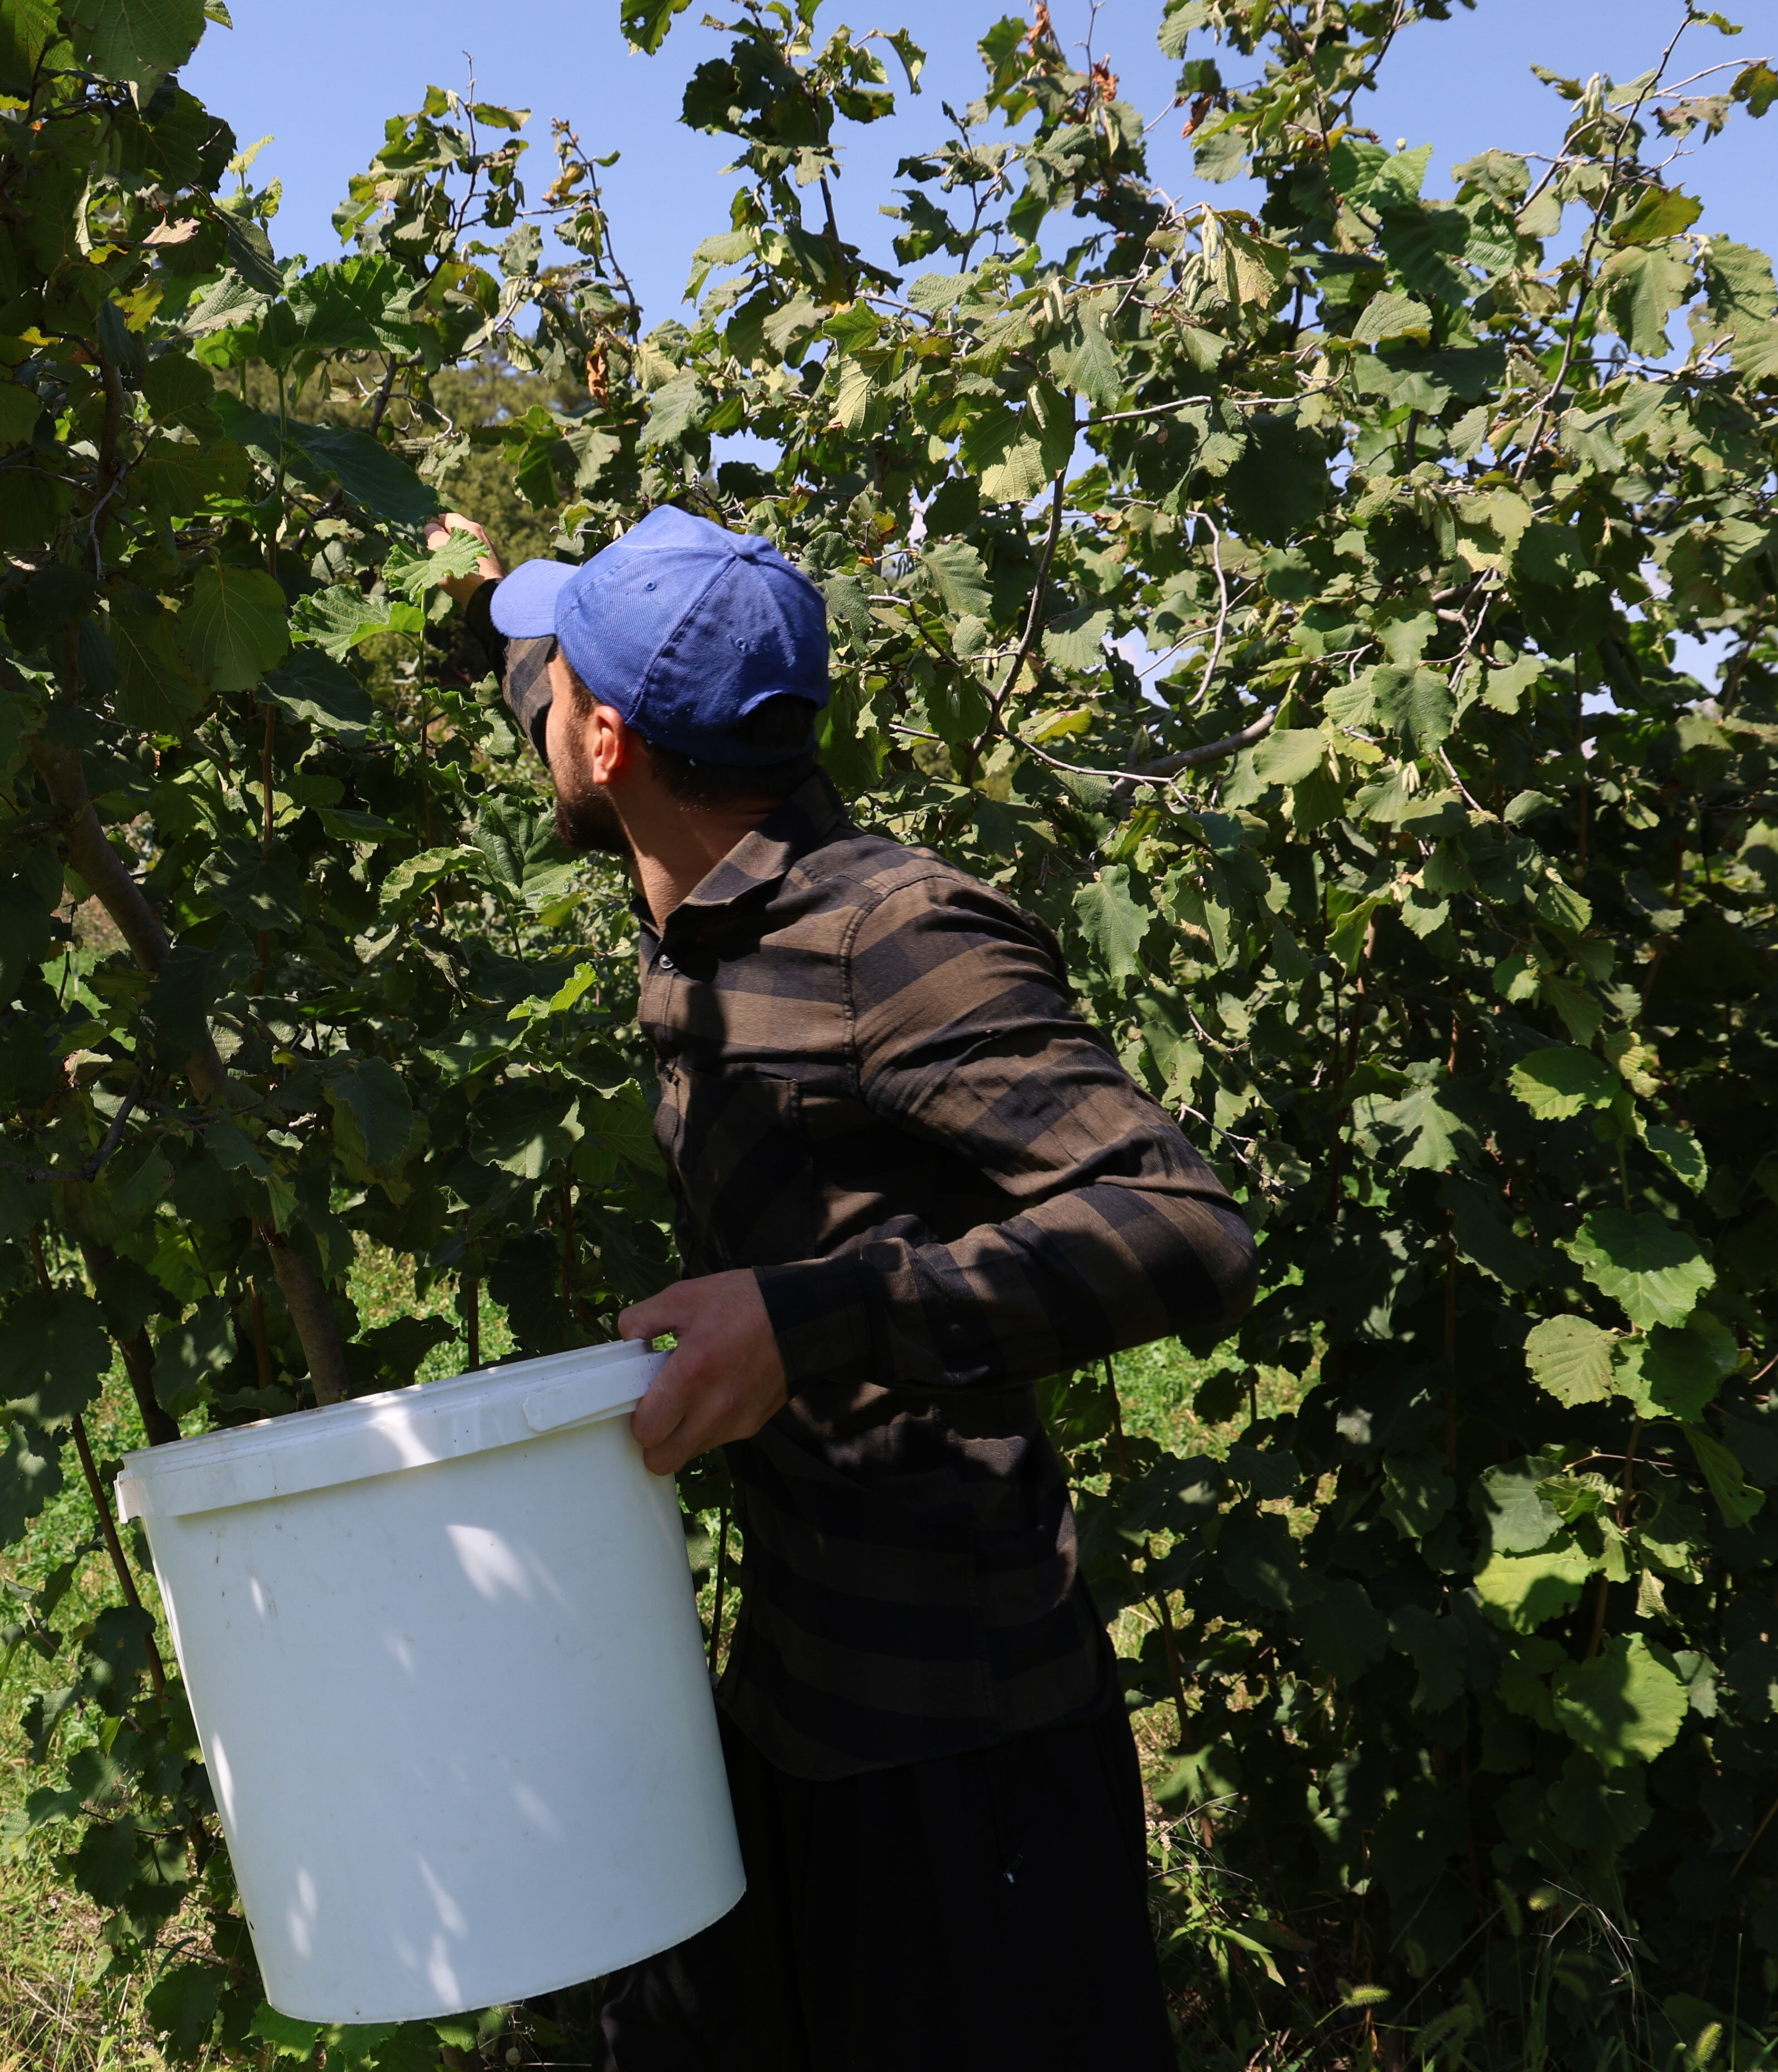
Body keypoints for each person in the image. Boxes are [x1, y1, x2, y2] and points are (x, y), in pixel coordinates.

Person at [442, 504, 1258, 2071]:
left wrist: (809, 1318)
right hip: (796, 1693)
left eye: (559, 692)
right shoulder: (689, 828)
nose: (533, 705)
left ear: (605, 745)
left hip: (964, 1743)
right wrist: (476, 601)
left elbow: (1180, 1226)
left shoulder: (888, 939)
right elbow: (533, 659)